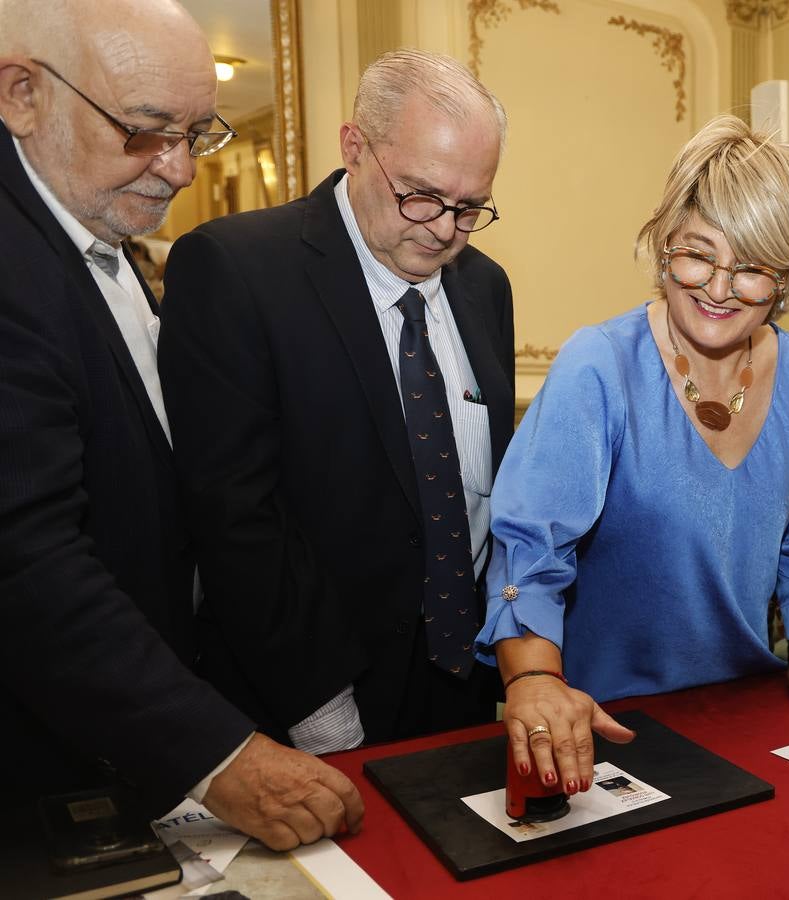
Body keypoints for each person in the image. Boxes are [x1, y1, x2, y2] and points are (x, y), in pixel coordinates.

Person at [0, 0, 362, 849]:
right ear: (21, 95)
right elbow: (25, 563)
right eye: (144, 131)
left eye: (196, 134)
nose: (179, 171)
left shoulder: (87, 228)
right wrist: (220, 757)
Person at [475, 115, 789, 796]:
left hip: (748, 717)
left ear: (785, 280)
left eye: (752, 269)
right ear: (665, 243)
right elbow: (528, 553)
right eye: (699, 255)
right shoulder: (597, 365)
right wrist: (538, 681)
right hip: (610, 729)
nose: (718, 290)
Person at [158, 50, 515, 757]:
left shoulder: (484, 286)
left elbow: (483, 499)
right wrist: (319, 709)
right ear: (354, 147)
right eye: (419, 193)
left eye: (469, 206)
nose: (443, 228)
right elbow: (235, 517)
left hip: (462, 682)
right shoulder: (235, 269)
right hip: (309, 696)